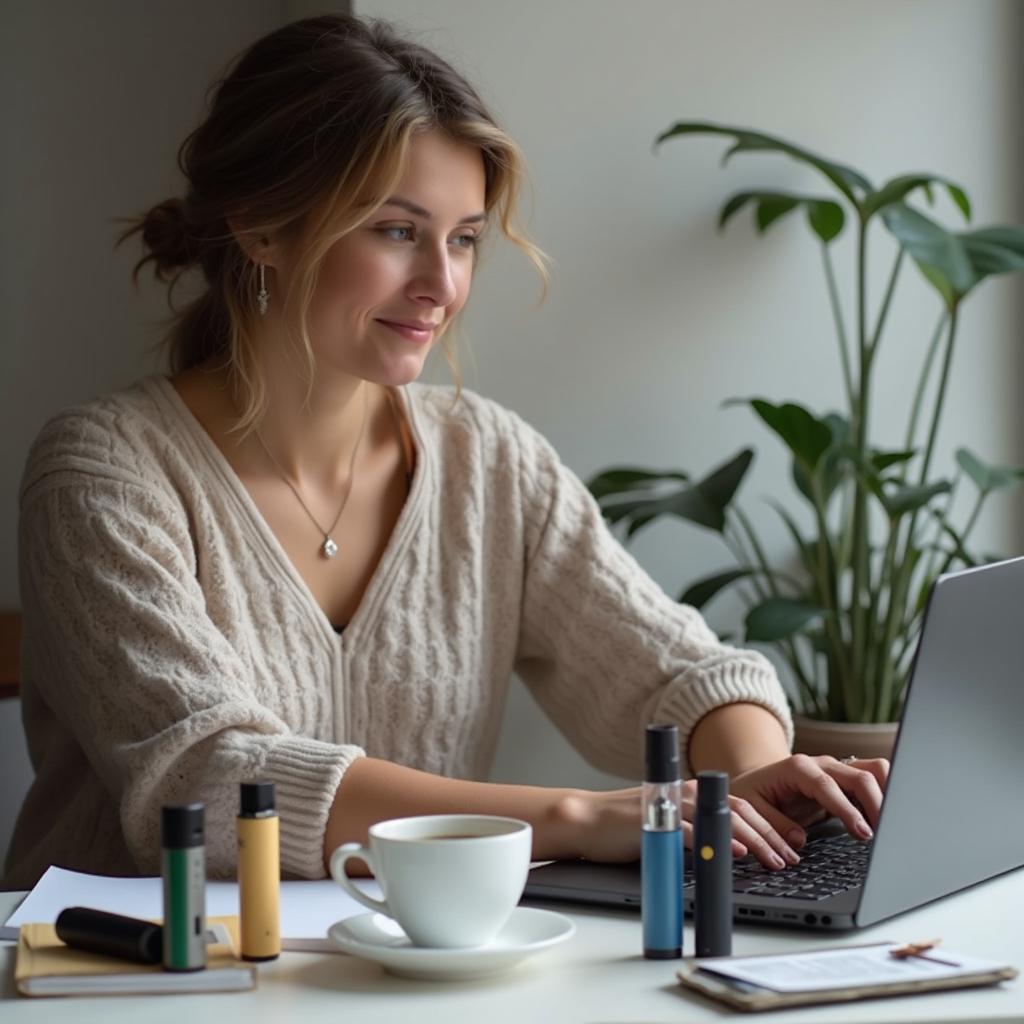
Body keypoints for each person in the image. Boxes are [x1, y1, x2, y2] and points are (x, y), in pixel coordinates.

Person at [3, 13, 887, 891]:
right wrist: (576, 818)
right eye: (396, 231)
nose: (443, 283)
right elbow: (210, 778)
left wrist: (755, 773)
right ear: (261, 228)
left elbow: (681, 674)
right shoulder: (103, 475)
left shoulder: (491, 463)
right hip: (134, 981)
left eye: (463, 238)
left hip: (409, 984)